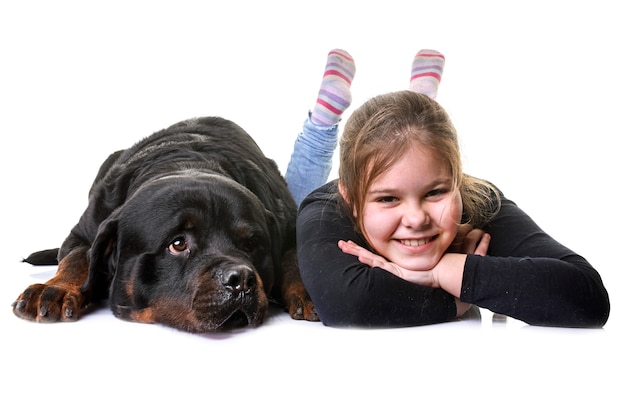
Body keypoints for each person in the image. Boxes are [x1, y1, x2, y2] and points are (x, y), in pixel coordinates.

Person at [285, 49, 611, 328]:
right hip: (315, 197)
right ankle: (323, 124)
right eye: (388, 198)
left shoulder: (478, 202)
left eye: (435, 192)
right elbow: (347, 303)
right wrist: (457, 300)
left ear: (457, 181)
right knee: (291, 201)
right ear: (352, 202)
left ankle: (419, 106)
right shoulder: (326, 209)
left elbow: (586, 296)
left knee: (414, 140)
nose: (415, 218)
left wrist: (446, 272)